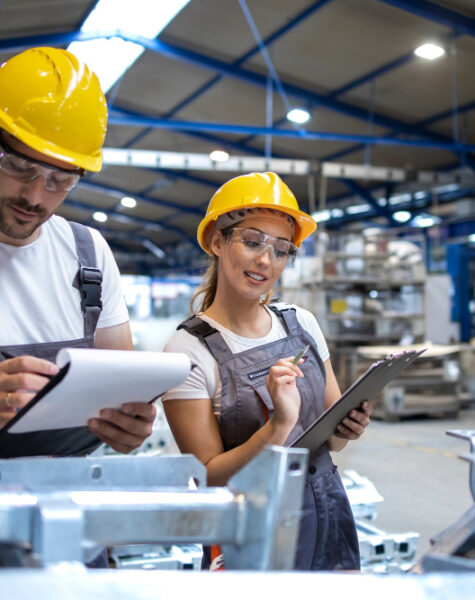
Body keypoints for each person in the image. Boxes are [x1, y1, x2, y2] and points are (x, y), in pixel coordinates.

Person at [162, 171, 372, 571]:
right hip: (248, 534)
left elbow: (334, 442)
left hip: (325, 513)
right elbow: (210, 478)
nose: (266, 260)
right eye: (252, 241)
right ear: (217, 241)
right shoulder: (188, 351)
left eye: (280, 249)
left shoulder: (302, 324)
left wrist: (350, 426)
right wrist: (278, 428)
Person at [0, 47, 156, 458]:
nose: (35, 196)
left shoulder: (88, 254)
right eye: (18, 166)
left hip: (62, 501)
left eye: (59, 179)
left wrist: (127, 426)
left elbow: (120, 384)